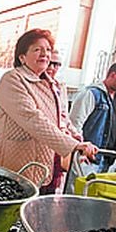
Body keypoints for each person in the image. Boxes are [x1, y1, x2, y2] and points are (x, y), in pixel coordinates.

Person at [0, 29, 97, 187]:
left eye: (48, 50)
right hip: (14, 163)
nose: (45, 54)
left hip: (45, 162)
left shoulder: (51, 84)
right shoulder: (13, 79)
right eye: (37, 49)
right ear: (22, 57)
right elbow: (32, 118)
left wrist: (77, 138)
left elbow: (61, 117)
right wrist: (72, 145)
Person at [69, 61, 116, 171]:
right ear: (113, 75)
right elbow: (74, 124)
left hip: (107, 160)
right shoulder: (91, 94)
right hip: (87, 159)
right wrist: (80, 150)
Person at [40, 50, 82, 194]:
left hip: (57, 148)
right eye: (50, 63)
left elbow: (64, 116)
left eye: (57, 64)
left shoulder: (60, 87)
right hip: (41, 143)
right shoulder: (36, 84)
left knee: (52, 188)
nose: (52, 68)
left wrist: (76, 136)